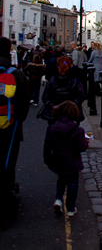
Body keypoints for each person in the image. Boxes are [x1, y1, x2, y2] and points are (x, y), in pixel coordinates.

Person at [0, 37, 30, 230]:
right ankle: (4, 213)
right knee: (7, 167)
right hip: (8, 129)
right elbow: (25, 105)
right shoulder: (17, 75)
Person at [43, 100, 89, 217]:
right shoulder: (78, 130)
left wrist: (47, 160)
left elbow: (47, 146)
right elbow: (81, 147)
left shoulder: (52, 128)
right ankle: (70, 208)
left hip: (58, 160)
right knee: (73, 184)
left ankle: (58, 200)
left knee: (61, 181)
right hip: (72, 162)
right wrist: (86, 142)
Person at [41, 56, 85, 124]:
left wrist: (53, 106)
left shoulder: (53, 80)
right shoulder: (75, 80)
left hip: (55, 114)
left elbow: (45, 97)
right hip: (72, 114)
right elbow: (81, 96)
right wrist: (71, 107)